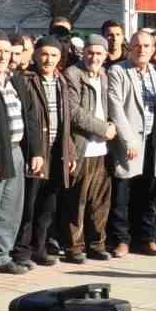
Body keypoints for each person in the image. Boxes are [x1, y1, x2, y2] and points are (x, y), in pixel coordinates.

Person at [0, 32, 40, 276]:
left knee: (11, 208)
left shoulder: (16, 80)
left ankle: (2, 255)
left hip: (16, 151)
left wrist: (36, 152)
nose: (2, 56)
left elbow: (30, 117)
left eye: (7, 51)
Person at [16, 36, 72, 268]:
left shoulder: (62, 81)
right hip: (36, 151)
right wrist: (34, 150)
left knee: (48, 205)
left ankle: (39, 247)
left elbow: (67, 120)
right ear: (36, 55)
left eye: (54, 55)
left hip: (57, 151)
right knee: (28, 205)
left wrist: (70, 153)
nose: (48, 59)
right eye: (44, 54)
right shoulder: (26, 80)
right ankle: (21, 251)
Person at [108, 30, 156, 257]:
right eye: (137, 45)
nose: (142, 50)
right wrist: (128, 140)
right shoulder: (118, 71)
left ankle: (147, 238)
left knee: (148, 193)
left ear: (153, 49)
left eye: (147, 46)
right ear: (129, 47)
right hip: (129, 140)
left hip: (151, 138)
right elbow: (116, 107)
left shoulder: (154, 71)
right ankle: (121, 240)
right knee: (123, 193)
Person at [62, 37, 117, 264]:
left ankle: (97, 244)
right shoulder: (72, 75)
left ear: (105, 55)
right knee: (78, 200)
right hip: (83, 146)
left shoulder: (105, 75)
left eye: (99, 53)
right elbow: (74, 113)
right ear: (83, 53)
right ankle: (74, 247)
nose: (94, 57)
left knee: (100, 201)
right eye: (90, 53)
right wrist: (104, 128)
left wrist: (113, 126)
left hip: (103, 149)